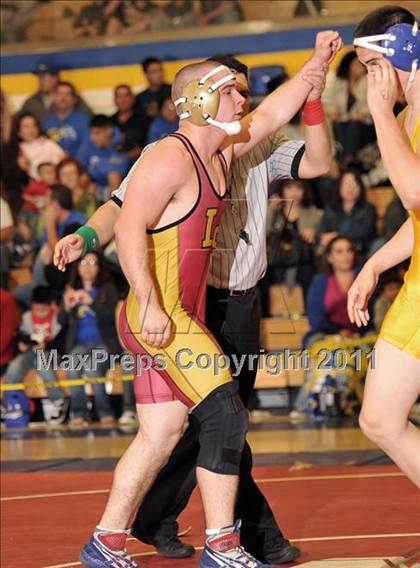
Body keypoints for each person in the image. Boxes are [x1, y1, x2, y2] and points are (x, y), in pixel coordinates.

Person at [54, 41, 336, 566]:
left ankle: (106, 541)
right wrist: (148, 300)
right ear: (201, 101)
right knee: (226, 416)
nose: (242, 101)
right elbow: (129, 224)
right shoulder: (167, 156)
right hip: (162, 316)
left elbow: (277, 108)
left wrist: (319, 63)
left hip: (174, 314)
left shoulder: (220, 152)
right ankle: (223, 545)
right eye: (230, 91)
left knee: (161, 434)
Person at [348, 5, 420, 487]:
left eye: (372, 67)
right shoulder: (412, 114)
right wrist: (374, 264)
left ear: (402, 51)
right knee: (379, 418)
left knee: (382, 417)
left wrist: (378, 114)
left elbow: (416, 193)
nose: (369, 82)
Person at [59, 251, 119, 427]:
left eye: (92, 262)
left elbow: (110, 317)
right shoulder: (71, 290)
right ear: (77, 267)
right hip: (79, 345)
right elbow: (61, 322)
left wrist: (91, 302)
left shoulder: (107, 289)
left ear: (99, 267)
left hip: (104, 344)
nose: (87, 266)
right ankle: (79, 413)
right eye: (83, 262)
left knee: (92, 367)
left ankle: (104, 412)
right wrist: (67, 306)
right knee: (72, 366)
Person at [3, 286, 68, 426]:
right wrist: (22, 344)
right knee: (14, 366)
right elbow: (21, 336)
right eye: (36, 309)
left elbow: (62, 341)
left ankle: (58, 399)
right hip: (30, 352)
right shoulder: (27, 317)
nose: (40, 313)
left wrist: (47, 346)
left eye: (43, 310)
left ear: (51, 305)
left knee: (42, 364)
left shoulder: (58, 317)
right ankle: (11, 401)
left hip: (52, 353)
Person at [261, 179, 322, 316]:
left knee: (309, 272)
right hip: (275, 259)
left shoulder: (312, 212)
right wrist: (270, 209)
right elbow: (262, 233)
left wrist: (313, 233)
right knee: (261, 275)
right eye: (289, 188)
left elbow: (318, 241)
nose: (294, 192)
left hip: (301, 260)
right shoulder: (273, 209)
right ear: (282, 189)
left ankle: (309, 316)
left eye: (298, 188)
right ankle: (265, 318)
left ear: (304, 190)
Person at [323, 50, 374, 163]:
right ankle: (340, 157)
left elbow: (373, 103)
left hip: (365, 123)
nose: (360, 67)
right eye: (356, 64)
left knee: (353, 125)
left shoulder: (369, 81)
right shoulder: (339, 82)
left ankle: (348, 158)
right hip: (344, 121)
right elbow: (331, 103)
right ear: (348, 65)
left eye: (362, 65)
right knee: (336, 124)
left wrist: (363, 113)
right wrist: (333, 112)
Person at [317, 168, 377, 256]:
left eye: (354, 184)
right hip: (335, 251)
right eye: (346, 184)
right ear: (339, 187)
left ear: (360, 187)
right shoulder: (331, 209)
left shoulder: (369, 209)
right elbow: (321, 233)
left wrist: (337, 236)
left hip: (361, 250)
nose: (350, 188)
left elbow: (363, 233)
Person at [77, 114, 128, 201]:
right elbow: (79, 165)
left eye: (97, 133)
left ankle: (112, 209)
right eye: (91, 133)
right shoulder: (89, 146)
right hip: (96, 187)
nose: (93, 138)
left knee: (113, 175)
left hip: (119, 192)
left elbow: (115, 178)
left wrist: (95, 169)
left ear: (109, 130)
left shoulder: (119, 147)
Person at [20, 63, 92, 123]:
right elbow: (17, 122)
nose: (40, 81)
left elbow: (89, 119)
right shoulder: (31, 102)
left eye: (43, 77)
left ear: (55, 78)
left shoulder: (70, 97)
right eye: (39, 77)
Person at [42, 81, 90, 157]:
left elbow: (86, 147)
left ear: (74, 99)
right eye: (59, 94)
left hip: (76, 164)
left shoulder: (84, 121)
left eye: (67, 94)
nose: (63, 98)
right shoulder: (45, 123)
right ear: (54, 98)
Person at [13, 112, 66, 180]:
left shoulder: (48, 143)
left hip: (58, 178)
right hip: (37, 182)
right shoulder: (19, 150)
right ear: (19, 132)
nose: (31, 130)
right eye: (26, 126)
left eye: (34, 125)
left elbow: (63, 160)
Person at [110, 84, 148, 163]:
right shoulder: (109, 122)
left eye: (126, 95)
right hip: (114, 163)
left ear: (133, 98)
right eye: (119, 96)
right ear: (115, 100)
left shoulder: (144, 120)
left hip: (140, 163)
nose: (123, 100)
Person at [135, 57, 172, 129]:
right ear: (146, 75)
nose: (159, 74)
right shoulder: (141, 98)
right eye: (154, 71)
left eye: (160, 70)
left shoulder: (173, 90)